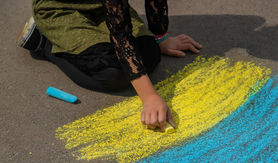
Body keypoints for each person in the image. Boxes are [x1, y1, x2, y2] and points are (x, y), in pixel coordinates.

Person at [17, 0, 202, 132]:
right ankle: (43, 42)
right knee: (112, 74)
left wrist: (159, 36)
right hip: (61, 8)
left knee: (150, 53)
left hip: (106, 6)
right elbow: (121, 35)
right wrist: (150, 97)